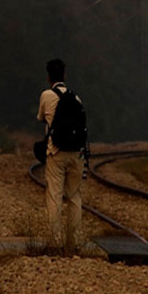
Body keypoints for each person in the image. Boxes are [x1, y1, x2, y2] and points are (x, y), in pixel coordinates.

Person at [37, 58, 85, 245]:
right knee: (74, 196)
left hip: (56, 152)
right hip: (76, 153)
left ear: (49, 77)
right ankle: (74, 241)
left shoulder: (46, 96)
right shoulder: (76, 98)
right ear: (64, 76)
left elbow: (41, 117)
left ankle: (56, 241)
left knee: (55, 195)